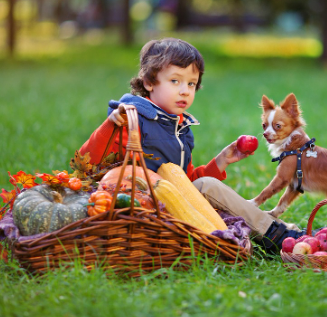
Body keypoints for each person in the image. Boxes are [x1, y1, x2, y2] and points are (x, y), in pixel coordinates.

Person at [79, 38, 306, 254]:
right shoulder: (130, 118)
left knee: (207, 184)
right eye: (175, 81)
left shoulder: (180, 129)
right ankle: (276, 234)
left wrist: (221, 161)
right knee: (207, 185)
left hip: (173, 204)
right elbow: (86, 164)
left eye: (191, 83)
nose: (185, 90)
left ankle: (279, 233)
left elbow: (186, 184)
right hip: (136, 207)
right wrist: (110, 126)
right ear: (148, 82)